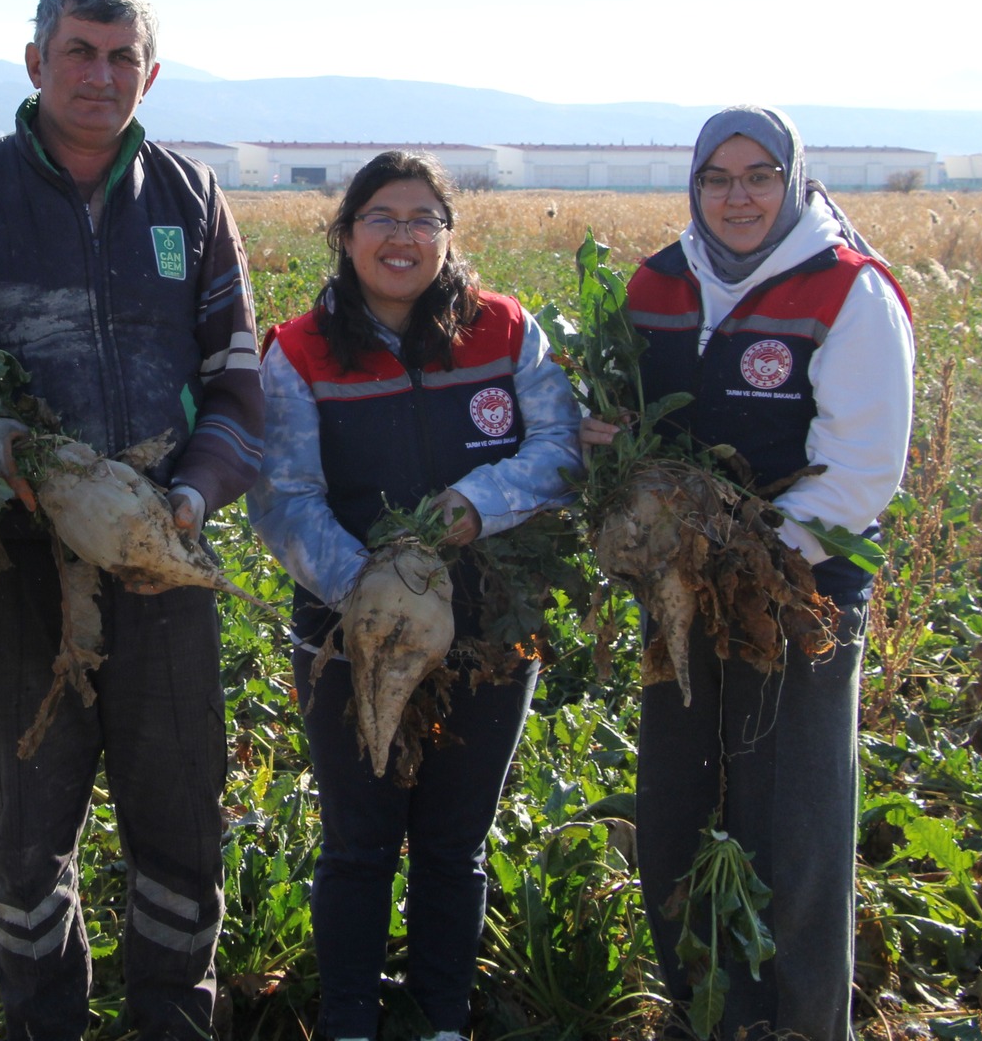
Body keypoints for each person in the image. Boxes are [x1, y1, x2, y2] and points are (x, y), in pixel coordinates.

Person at [0, 0, 263, 1040]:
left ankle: (173, 1021)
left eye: (121, 56)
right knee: (24, 827)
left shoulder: (190, 199)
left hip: (161, 562)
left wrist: (193, 495)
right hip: (10, 568)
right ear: (35, 61)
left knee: (179, 819)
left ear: (150, 73)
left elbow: (237, 383)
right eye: (79, 51)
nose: (100, 74)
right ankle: (43, 1020)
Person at [580, 105, 913, 1041]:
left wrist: (749, 565)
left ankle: (799, 1023)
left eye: (759, 176)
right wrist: (602, 438)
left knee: (790, 814)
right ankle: (706, 1012)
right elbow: (620, 411)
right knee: (676, 797)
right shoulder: (657, 282)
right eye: (717, 178)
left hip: (799, 592)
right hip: (678, 586)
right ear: (693, 186)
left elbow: (861, 472)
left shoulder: (847, 291)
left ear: (793, 181)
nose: (738, 197)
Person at [249, 151, 581, 1041]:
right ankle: (350, 1020)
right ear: (346, 232)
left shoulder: (506, 332)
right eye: (381, 218)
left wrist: (479, 503)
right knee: (358, 842)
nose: (402, 237)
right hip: (350, 634)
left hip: (492, 628)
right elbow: (283, 498)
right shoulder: (297, 352)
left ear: (448, 234)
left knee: (453, 843)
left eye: (422, 219)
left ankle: (441, 1020)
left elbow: (560, 448)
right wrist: (375, 593)